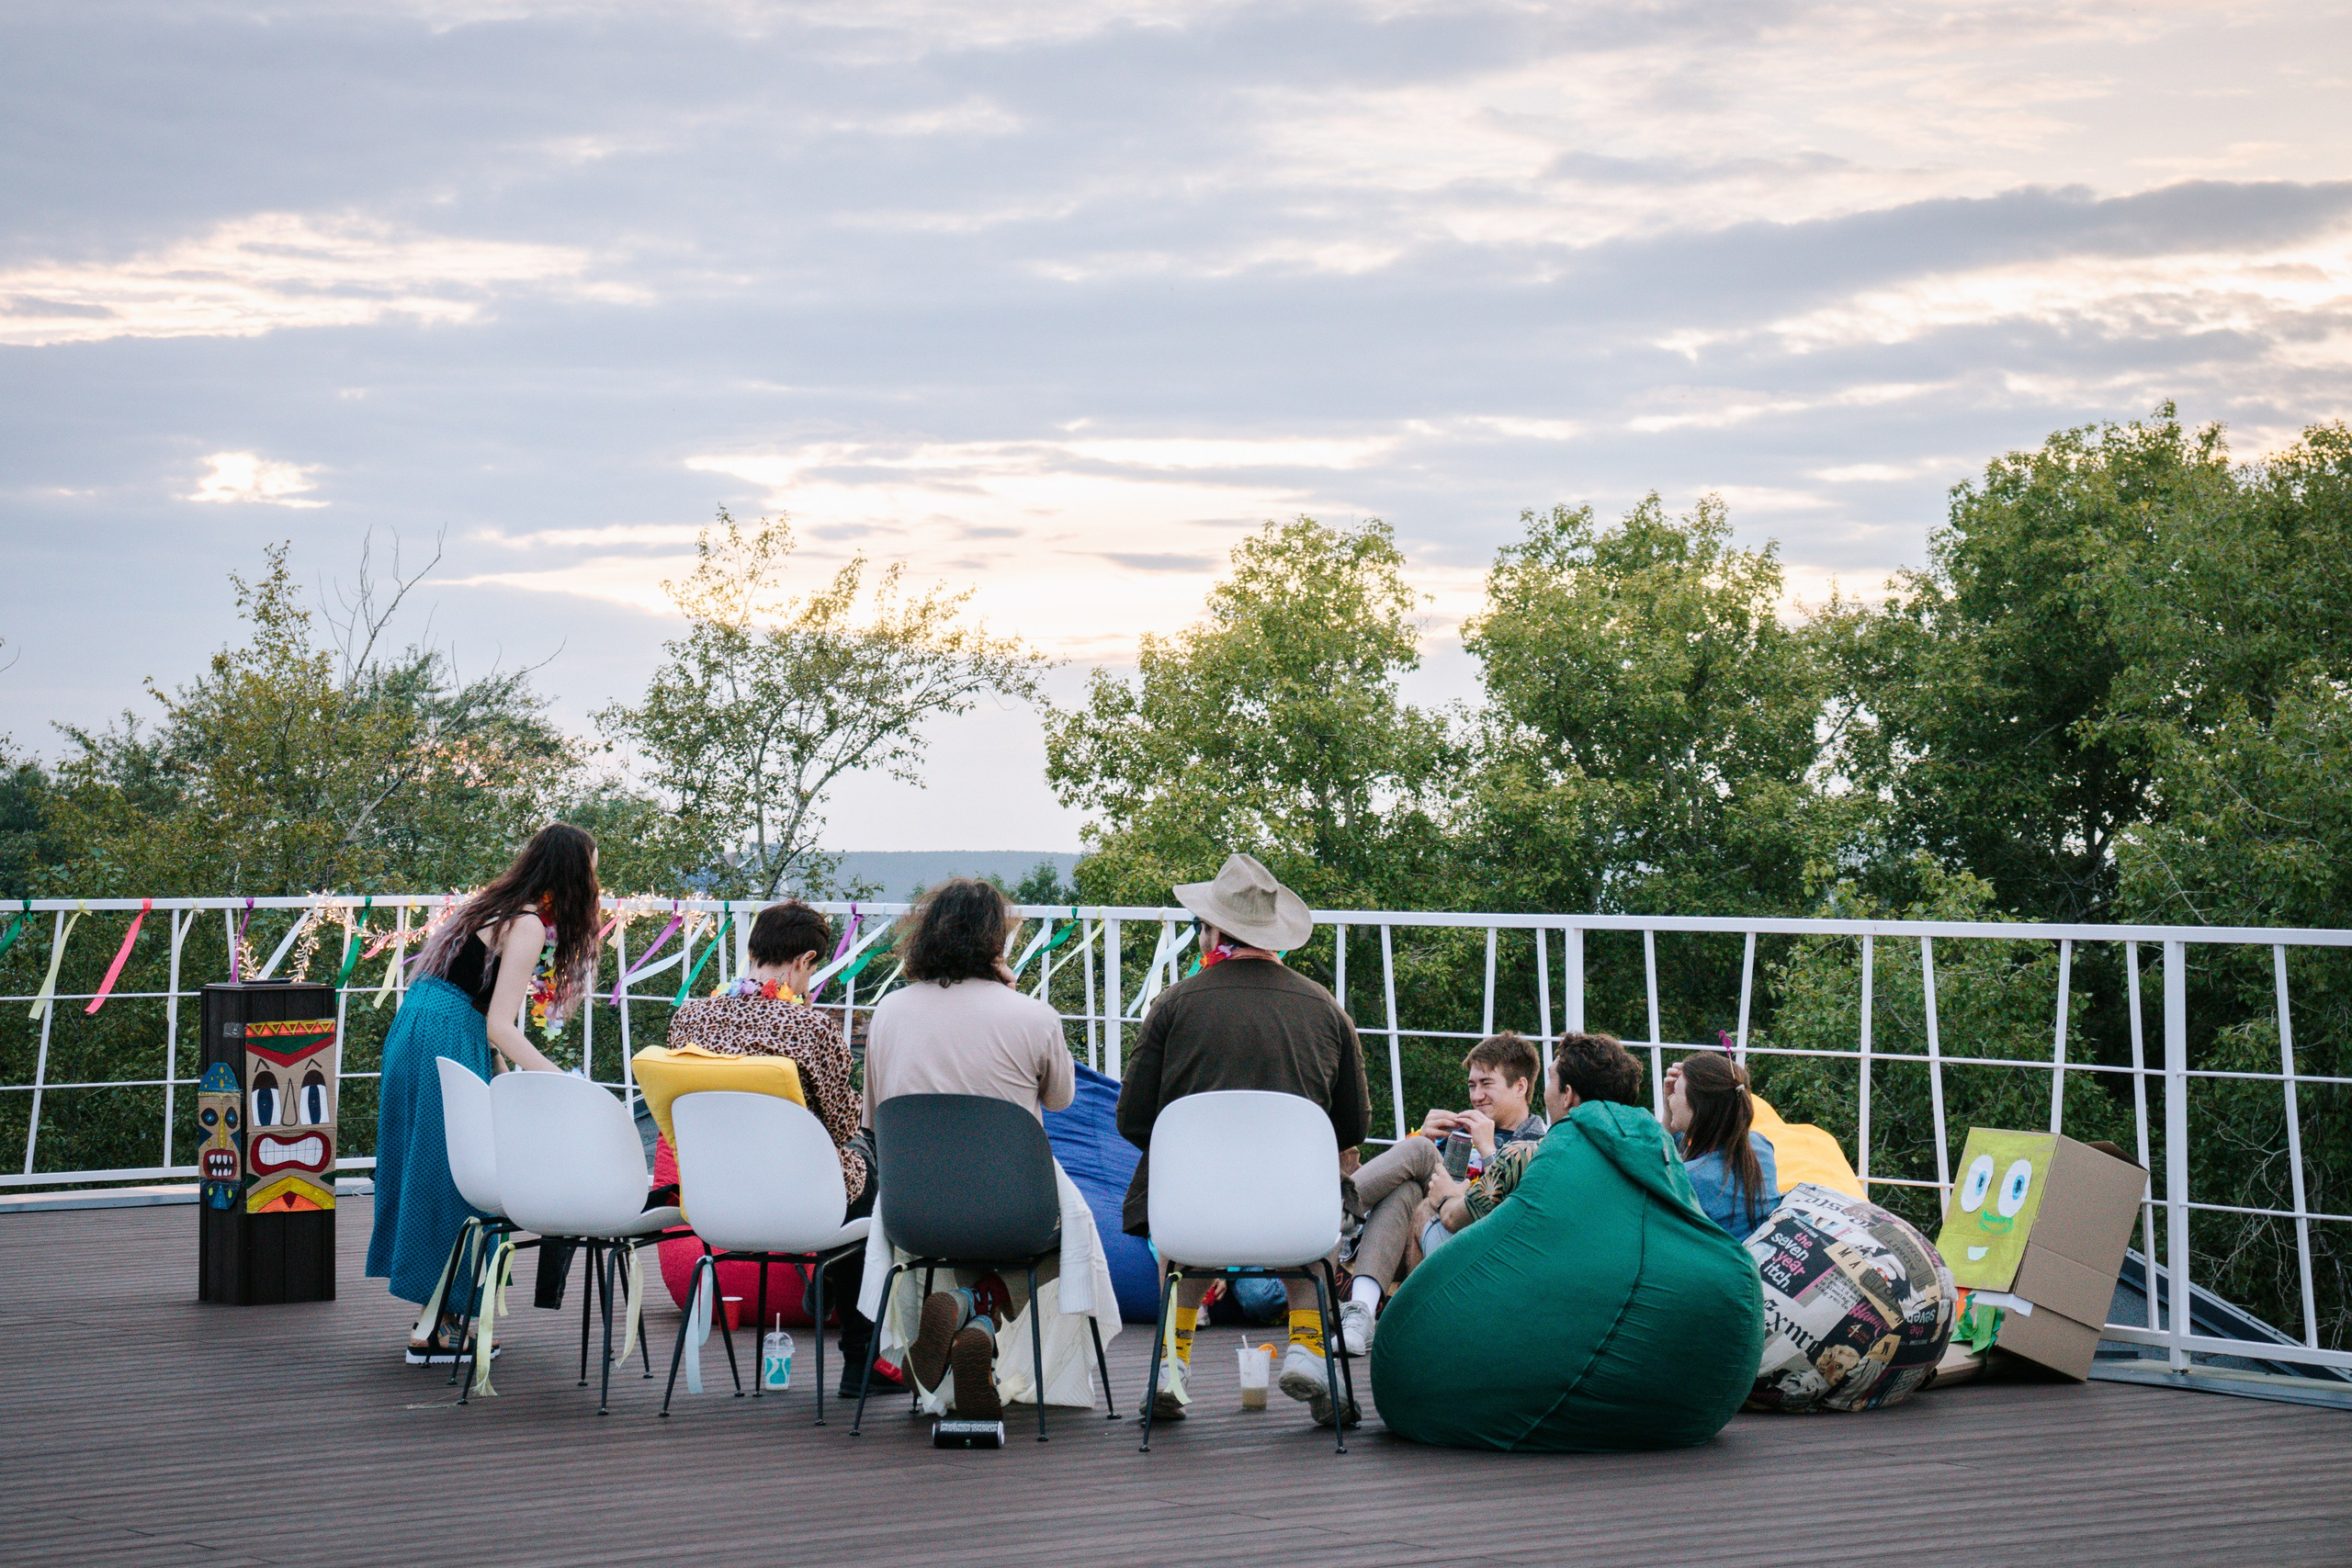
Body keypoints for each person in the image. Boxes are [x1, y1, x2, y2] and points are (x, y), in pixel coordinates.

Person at [1114, 853, 1371, 1427]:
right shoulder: (1327, 1010)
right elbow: (1351, 1128)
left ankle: (1169, 1366)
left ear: (1212, 931)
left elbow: (1133, 1120)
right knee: (1326, 1196)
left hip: (1195, 1212)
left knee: (1186, 1231)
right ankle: (1306, 1346)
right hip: (1297, 1214)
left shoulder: (1174, 1005)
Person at [366, 823, 601, 1363]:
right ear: (571, 875)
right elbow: (500, 1023)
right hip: (449, 1033)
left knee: (430, 1165)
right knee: (456, 1176)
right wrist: (559, 1079)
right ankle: (441, 1329)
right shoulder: (528, 925)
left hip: (418, 1025)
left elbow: (475, 1002)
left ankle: (438, 1318)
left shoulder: (492, 907)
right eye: (590, 867)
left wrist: (499, 1071)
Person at [863, 878, 1077, 1421]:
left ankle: (967, 1322)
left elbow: (872, 1116)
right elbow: (1061, 1097)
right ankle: (977, 1311)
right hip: (1014, 1215)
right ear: (997, 945)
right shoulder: (1032, 1016)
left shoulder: (887, 1013)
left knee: (967, 1222)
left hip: (914, 1217)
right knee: (1070, 1236)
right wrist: (1010, 993)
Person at [669, 898, 884, 1395]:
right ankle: (860, 1361)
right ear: (806, 961)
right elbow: (842, 1123)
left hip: (713, 1196)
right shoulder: (812, 1029)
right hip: (799, 1196)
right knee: (866, 1162)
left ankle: (832, 1282)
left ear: (754, 950)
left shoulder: (690, 1020)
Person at [1336, 1032, 1547, 1346]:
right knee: (1406, 1186)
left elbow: (1517, 1210)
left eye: (1487, 1084)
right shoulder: (1461, 1133)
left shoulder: (1539, 1144)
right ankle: (1361, 1317)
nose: (1476, 1096)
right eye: (1472, 1085)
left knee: (1420, 1153)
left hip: (1478, 1256)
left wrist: (1488, 1149)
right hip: (1414, 1243)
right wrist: (1426, 1137)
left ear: (1520, 1086)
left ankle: (1322, 1212)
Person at [1419, 1031, 1645, 1250]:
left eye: (1550, 1080)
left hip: (1510, 1268)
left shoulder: (1531, 1154)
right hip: (1597, 1268)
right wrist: (1428, 1142)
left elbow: (1457, 1216)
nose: (1476, 1096)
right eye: (1472, 1085)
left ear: (1566, 1095)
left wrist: (1451, 1192)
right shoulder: (1638, 1155)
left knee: (1424, 1210)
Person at [1664, 1051, 1779, 1238]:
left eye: (1675, 1093)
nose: (1669, 1099)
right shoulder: (1760, 1145)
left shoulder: (1689, 1180)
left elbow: (1657, 1160)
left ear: (1699, 1109)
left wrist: (1668, 1118)